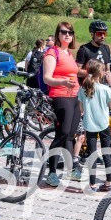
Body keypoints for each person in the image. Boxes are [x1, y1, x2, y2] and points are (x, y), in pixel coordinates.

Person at [42, 21, 81, 187]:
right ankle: (51, 172)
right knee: (62, 133)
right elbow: (47, 78)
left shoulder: (69, 53)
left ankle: (71, 169)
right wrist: (62, 83)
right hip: (60, 96)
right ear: (58, 34)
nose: (67, 35)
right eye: (64, 32)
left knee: (70, 134)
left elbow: (76, 73)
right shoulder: (52, 52)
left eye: (70, 32)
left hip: (75, 97)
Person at [78, 60, 111, 192]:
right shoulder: (106, 89)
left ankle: (92, 184)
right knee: (106, 152)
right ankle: (109, 182)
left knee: (92, 154)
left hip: (89, 125)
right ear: (100, 73)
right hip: (103, 124)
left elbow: (81, 109)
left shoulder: (83, 89)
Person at [76, 20, 111, 88]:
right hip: (87, 89)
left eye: (104, 34)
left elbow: (107, 71)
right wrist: (95, 74)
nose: (103, 36)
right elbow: (77, 72)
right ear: (92, 34)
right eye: (100, 34)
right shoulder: (84, 49)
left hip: (102, 88)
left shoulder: (106, 48)